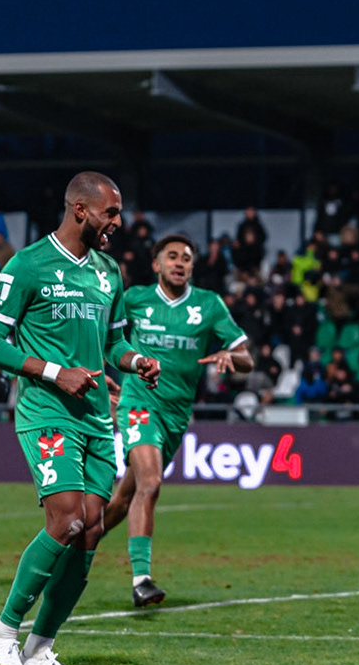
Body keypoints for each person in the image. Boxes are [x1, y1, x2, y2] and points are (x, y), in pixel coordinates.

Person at [0, 172, 162, 665]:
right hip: (47, 411)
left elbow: (113, 346)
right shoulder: (29, 265)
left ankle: (41, 648)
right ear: (81, 210)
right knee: (66, 520)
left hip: (98, 419)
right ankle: (3, 635)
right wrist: (55, 372)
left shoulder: (109, 272)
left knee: (93, 528)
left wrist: (136, 360)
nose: (118, 223)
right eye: (111, 213)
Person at [100, 234, 251, 608]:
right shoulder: (134, 299)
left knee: (126, 496)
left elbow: (246, 358)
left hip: (177, 412)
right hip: (139, 400)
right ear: (156, 265)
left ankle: (79, 545)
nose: (180, 262)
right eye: (172, 256)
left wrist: (230, 359)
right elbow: (103, 338)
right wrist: (98, 377)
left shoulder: (209, 305)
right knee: (151, 481)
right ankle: (142, 579)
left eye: (186, 257)